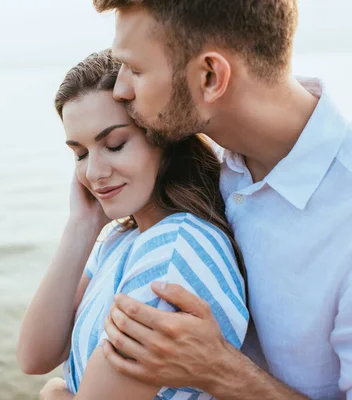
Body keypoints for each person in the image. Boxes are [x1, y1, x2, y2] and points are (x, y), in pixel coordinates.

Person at [55, 1, 352, 399]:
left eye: (137, 70)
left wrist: (222, 371)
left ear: (210, 76)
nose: (121, 87)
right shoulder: (201, 168)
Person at [17, 50, 248, 399]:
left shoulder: (175, 249)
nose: (94, 172)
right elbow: (35, 355)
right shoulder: (122, 240)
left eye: (114, 145)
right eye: (80, 154)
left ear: (163, 137)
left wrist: (54, 393)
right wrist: (81, 224)